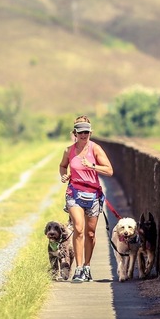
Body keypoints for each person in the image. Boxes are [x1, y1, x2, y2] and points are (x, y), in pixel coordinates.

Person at [58, 115, 114, 282]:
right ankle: (79, 269)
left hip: (93, 195)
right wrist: (64, 175)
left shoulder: (95, 149)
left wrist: (93, 166)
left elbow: (109, 171)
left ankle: (87, 267)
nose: (83, 135)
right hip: (74, 193)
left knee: (90, 233)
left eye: (87, 132)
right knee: (79, 229)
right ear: (75, 133)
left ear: (91, 133)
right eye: (80, 132)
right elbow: (62, 166)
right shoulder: (69, 150)